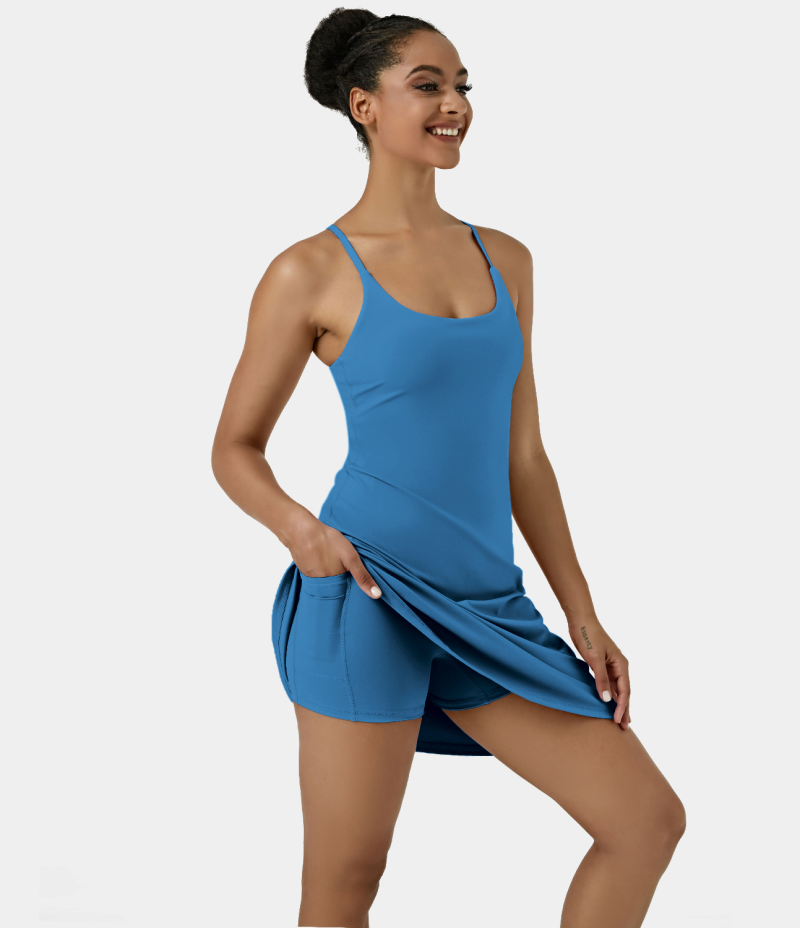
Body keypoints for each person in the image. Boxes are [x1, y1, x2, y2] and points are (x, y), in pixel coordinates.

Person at [211, 8, 686, 927]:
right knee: (346, 882)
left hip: (488, 604)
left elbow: (524, 455)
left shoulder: (506, 260)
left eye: (463, 86)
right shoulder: (308, 271)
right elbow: (234, 448)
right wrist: (303, 534)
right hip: (367, 594)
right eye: (426, 85)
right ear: (364, 106)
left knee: (646, 822)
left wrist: (582, 612)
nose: (454, 104)